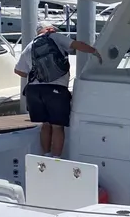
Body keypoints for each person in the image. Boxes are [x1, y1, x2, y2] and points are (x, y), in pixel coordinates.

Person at [15, 22, 102, 157]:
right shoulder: (54, 37)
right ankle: (56, 159)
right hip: (55, 89)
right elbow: (76, 45)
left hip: (34, 91)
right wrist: (94, 51)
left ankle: (45, 155)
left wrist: (38, 71)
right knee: (57, 126)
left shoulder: (30, 45)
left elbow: (19, 71)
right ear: (50, 29)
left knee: (45, 124)